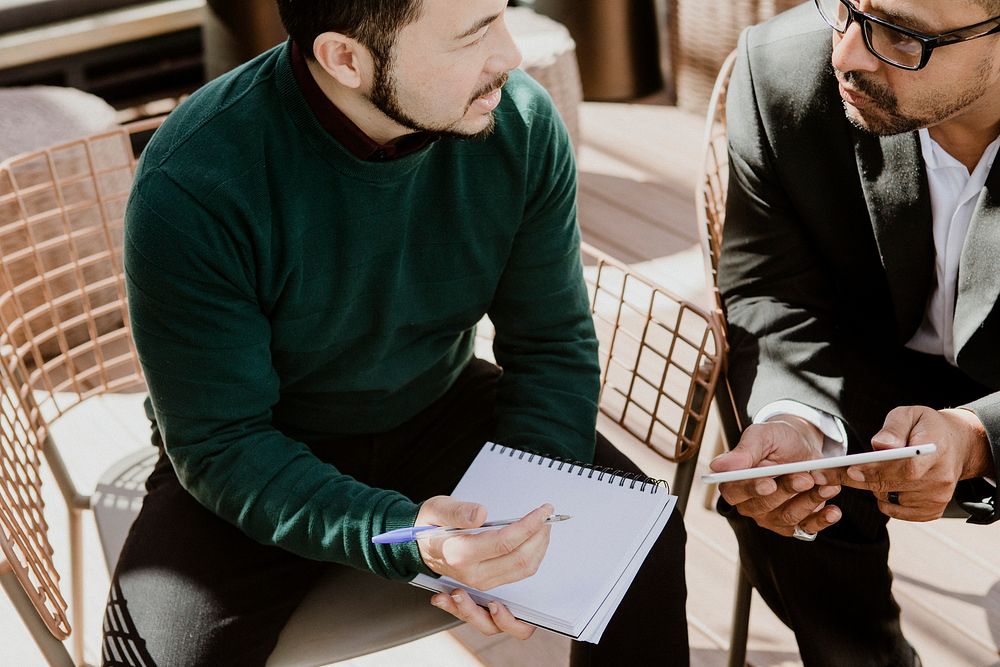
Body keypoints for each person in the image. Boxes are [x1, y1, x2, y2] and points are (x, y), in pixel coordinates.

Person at [101, 1, 689, 665]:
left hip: (435, 404)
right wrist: (406, 536)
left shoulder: (517, 124)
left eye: (502, 16)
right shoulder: (194, 182)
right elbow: (221, 442)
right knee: (157, 658)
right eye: (473, 35)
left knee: (645, 541)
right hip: (259, 447)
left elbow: (551, 345)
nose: (511, 56)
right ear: (347, 59)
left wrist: (519, 518)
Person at [709, 0, 1000, 665]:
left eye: (902, 34)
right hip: (863, 355)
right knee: (781, 487)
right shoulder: (782, 70)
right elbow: (769, 286)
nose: (846, 55)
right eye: (846, 7)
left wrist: (981, 439)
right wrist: (796, 411)